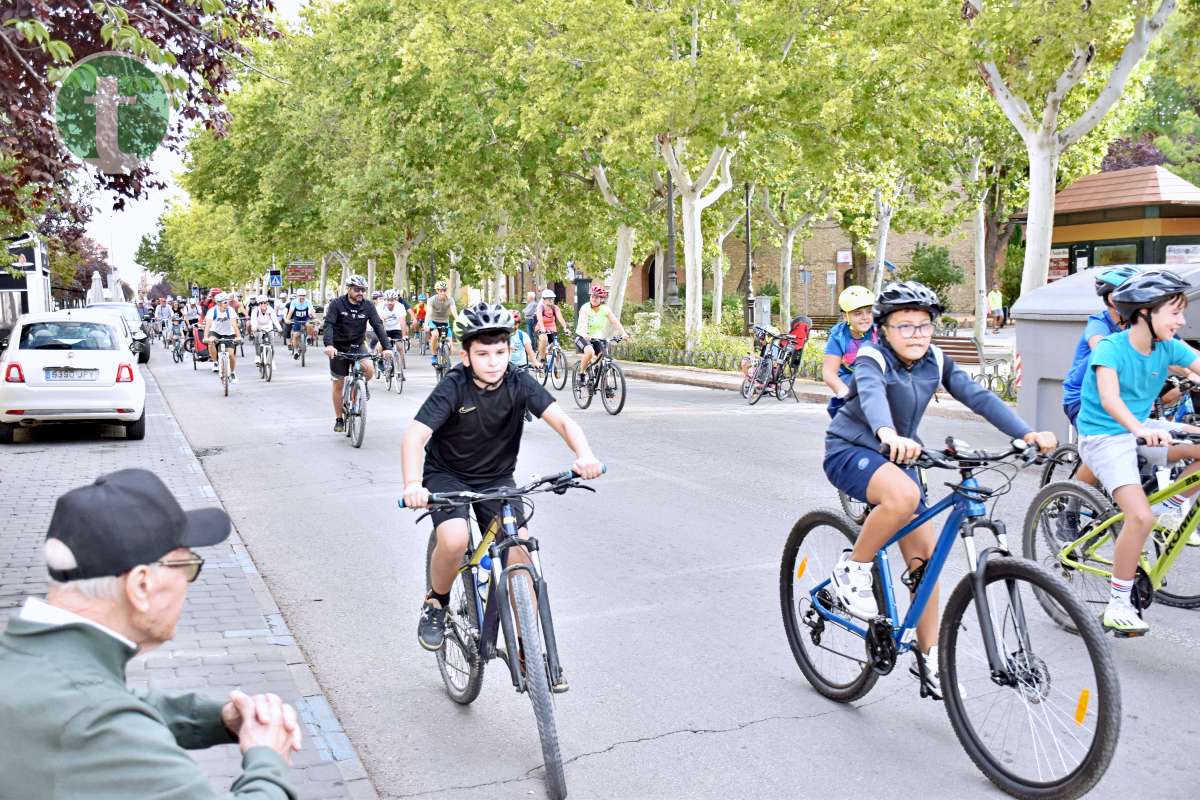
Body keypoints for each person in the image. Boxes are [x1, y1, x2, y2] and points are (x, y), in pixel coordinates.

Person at [0, 469, 302, 799]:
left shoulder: (28, 660)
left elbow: (111, 703)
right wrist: (268, 760)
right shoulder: (97, 723)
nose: (187, 585)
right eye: (186, 567)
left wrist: (219, 719)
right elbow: (102, 714)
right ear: (141, 585)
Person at [823, 281, 1056, 697]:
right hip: (853, 449)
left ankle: (928, 662)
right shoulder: (872, 357)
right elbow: (873, 396)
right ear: (885, 329)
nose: (917, 334)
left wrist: (1028, 433)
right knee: (904, 497)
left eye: (924, 326)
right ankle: (852, 569)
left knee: (926, 571)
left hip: (901, 458)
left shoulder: (936, 359)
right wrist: (886, 431)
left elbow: (979, 397)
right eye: (905, 326)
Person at [400, 303, 603, 680]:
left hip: (497, 479)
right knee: (455, 539)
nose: (492, 361)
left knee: (519, 554)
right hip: (448, 477)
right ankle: (437, 603)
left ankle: (526, 647)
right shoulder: (453, 387)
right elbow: (415, 436)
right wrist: (414, 484)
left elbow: (562, 420)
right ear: (465, 355)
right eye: (482, 354)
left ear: (510, 351)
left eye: (499, 352)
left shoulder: (518, 382)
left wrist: (584, 454)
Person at [1076, 270, 1200, 636]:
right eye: (1174, 312)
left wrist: (1147, 428)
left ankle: (1172, 508)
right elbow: (1111, 399)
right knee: (1139, 518)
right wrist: (1140, 429)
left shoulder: (1168, 347)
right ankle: (1118, 604)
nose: (1182, 320)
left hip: (1143, 427)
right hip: (1104, 436)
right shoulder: (1109, 349)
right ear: (1145, 312)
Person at [322, 275, 391, 433]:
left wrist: (386, 347)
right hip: (338, 347)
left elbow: (378, 325)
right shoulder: (337, 304)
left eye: (363, 290)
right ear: (348, 289)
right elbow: (329, 325)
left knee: (369, 370)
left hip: (358, 345)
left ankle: (359, 388)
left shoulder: (368, 306)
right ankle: (339, 419)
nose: (360, 292)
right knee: (338, 384)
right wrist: (329, 345)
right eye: (357, 289)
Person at [823, 285, 879, 419]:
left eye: (869, 311)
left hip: (878, 386)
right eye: (858, 313)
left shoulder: (880, 331)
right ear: (845, 316)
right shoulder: (839, 336)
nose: (865, 317)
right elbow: (829, 372)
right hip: (851, 387)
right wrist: (844, 392)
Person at [574, 285, 627, 383]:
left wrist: (623, 333)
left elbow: (615, 322)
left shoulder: (605, 309)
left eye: (596, 297)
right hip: (582, 336)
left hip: (597, 337)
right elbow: (583, 322)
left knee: (604, 356)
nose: (593, 299)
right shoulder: (585, 308)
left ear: (601, 299)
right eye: (592, 296)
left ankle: (605, 386)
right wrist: (586, 334)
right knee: (590, 352)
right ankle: (581, 374)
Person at [203, 293, 242, 381]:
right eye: (225, 302)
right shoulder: (212, 311)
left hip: (229, 333)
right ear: (219, 303)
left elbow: (234, 325)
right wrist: (205, 337)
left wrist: (238, 336)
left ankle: (232, 372)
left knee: (231, 355)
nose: (227, 303)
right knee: (211, 341)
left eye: (227, 301)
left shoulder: (230, 310)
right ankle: (215, 362)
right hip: (215, 332)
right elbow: (208, 325)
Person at [426, 280, 457, 366]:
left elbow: (454, 311)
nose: (443, 292)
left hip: (445, 322)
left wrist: (458, 321)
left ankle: (445, 357)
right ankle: (434, 356)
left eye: (444, 290)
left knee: (451, 348)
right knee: (435, 335)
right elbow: (428, 313)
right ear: (437, 291)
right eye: (440, 290)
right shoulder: (432, 300)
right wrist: (425, 324)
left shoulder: (450, 300)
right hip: (433, 321)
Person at [534, 288, 568, 363]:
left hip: (552, 329)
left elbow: (560, 318)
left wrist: (565, 328)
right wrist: (542, 328)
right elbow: (539, 319)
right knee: (544, 339)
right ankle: (542, 358)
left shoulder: (555, 308)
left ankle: (555, 367)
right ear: (544, 300)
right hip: (541, 327)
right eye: (549, 299)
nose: (551, 301)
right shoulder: (541, 308)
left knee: (557, 348)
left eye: (552, 299)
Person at [250, 295, 282, 366]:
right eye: (261, 303)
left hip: (269, 327)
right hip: (259, 327)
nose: (263, 304)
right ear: (259, 304)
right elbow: (253, 320)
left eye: (265, 303)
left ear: (267, 303)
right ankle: (258, 356)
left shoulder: (270, 310)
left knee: (272, 346)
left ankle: (271, 360)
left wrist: (279, 328)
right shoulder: (255, 311)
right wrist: (254, 327)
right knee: (258, 338)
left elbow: (275, 320)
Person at [283, 288, 314, 359]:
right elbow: (290, 312)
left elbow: (311, 311)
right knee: (295, 335)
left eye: (303, 296)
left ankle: (309, 338)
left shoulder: (308, 302)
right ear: (297, 296)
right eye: (300, 295)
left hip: (306, 318)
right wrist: (287, 319)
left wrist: (315, 317)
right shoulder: (294, 302)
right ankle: (296, 351)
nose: (302, 297)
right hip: (296, 319)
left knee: (309, 324)